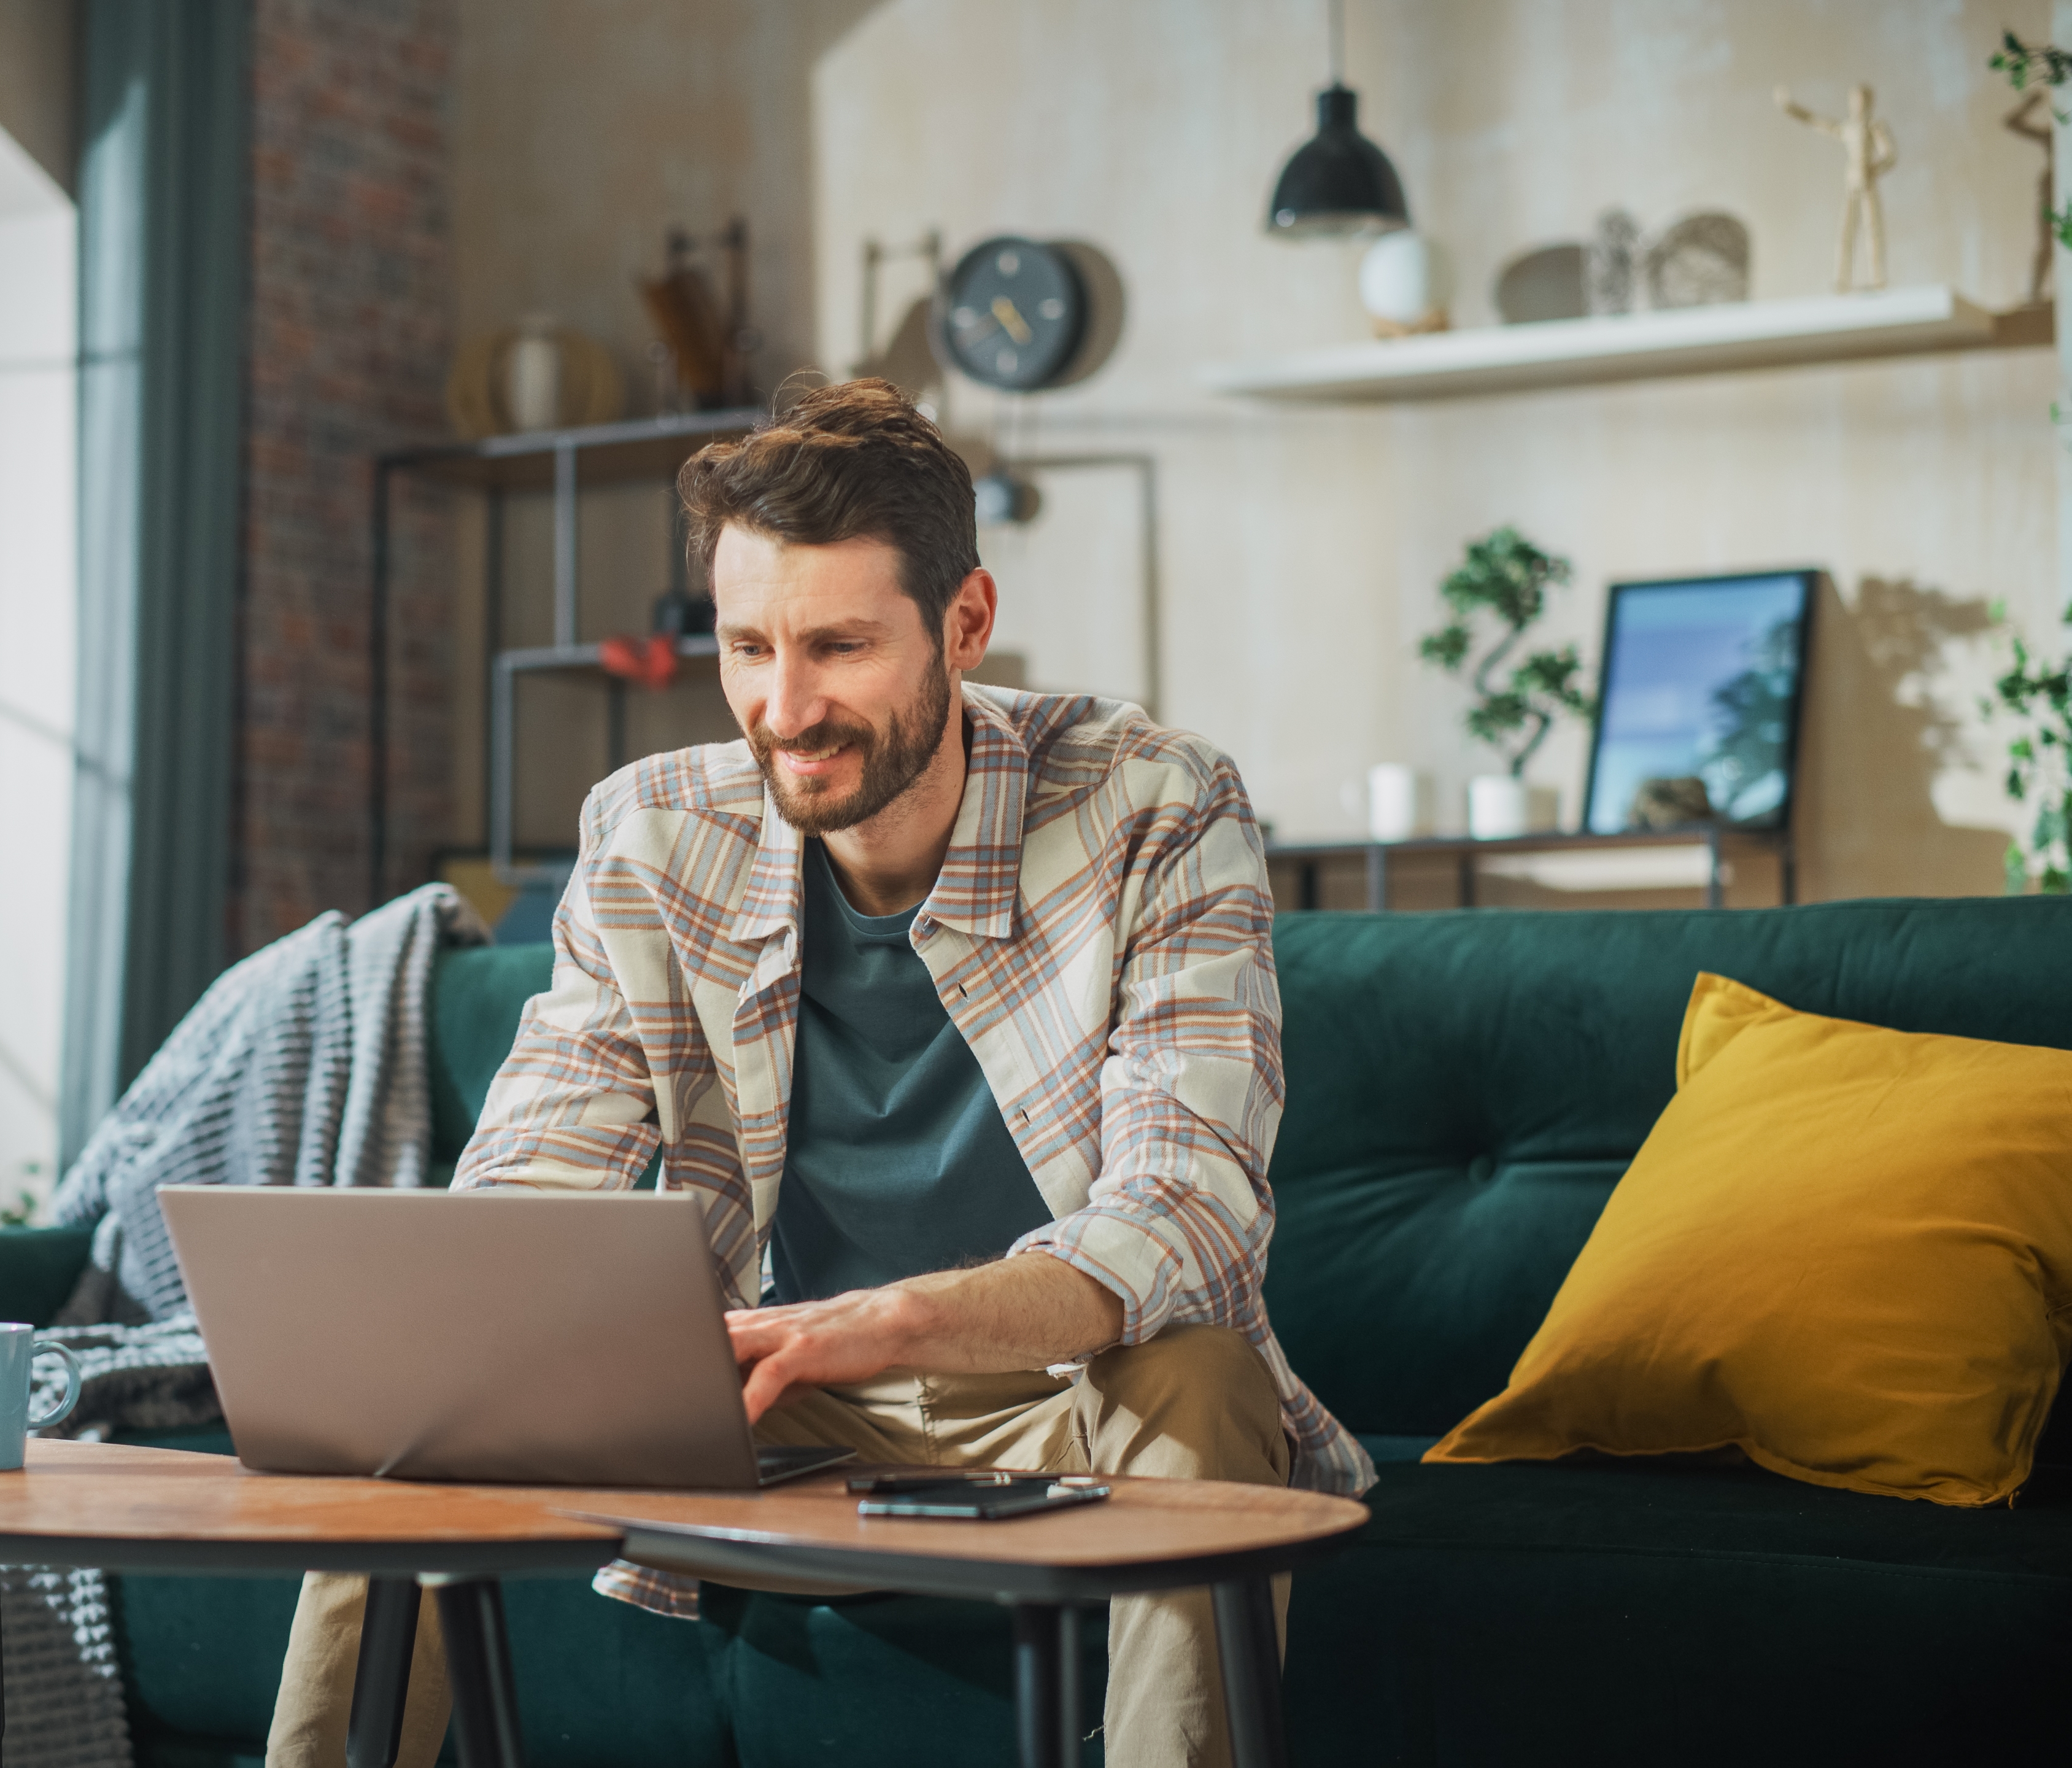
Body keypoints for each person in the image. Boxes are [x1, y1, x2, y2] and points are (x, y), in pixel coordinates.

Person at [269, 378, 1370, 1768]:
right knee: (424, 1399)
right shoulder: (653, 830)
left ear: (964, 624)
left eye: (838, 647)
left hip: (1060, 1391)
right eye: (746, 649)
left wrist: (879, 1321)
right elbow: (534, 1177)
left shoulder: (1152, 802)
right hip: (774, 1391)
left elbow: (1188, 1219)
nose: (783, 710)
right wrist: (476, 1319)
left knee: (1203, 1375)